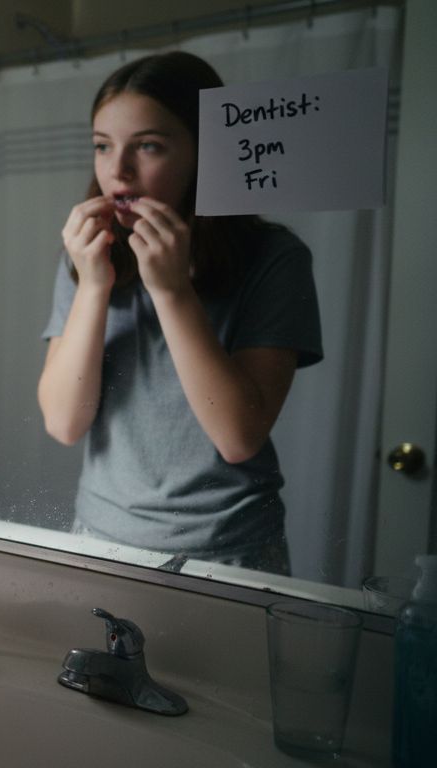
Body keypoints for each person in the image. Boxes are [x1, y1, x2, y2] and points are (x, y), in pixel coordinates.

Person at [37, 51, 322, 575]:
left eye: (148, 146)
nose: (117, 170)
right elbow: (63, 422)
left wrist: (171, 292)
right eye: (103, 146)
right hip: (99, 540)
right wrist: (94, 284)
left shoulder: (274, 259)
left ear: (204, 151)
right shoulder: (87, 255)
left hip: (230, 553)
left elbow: (238, 437)